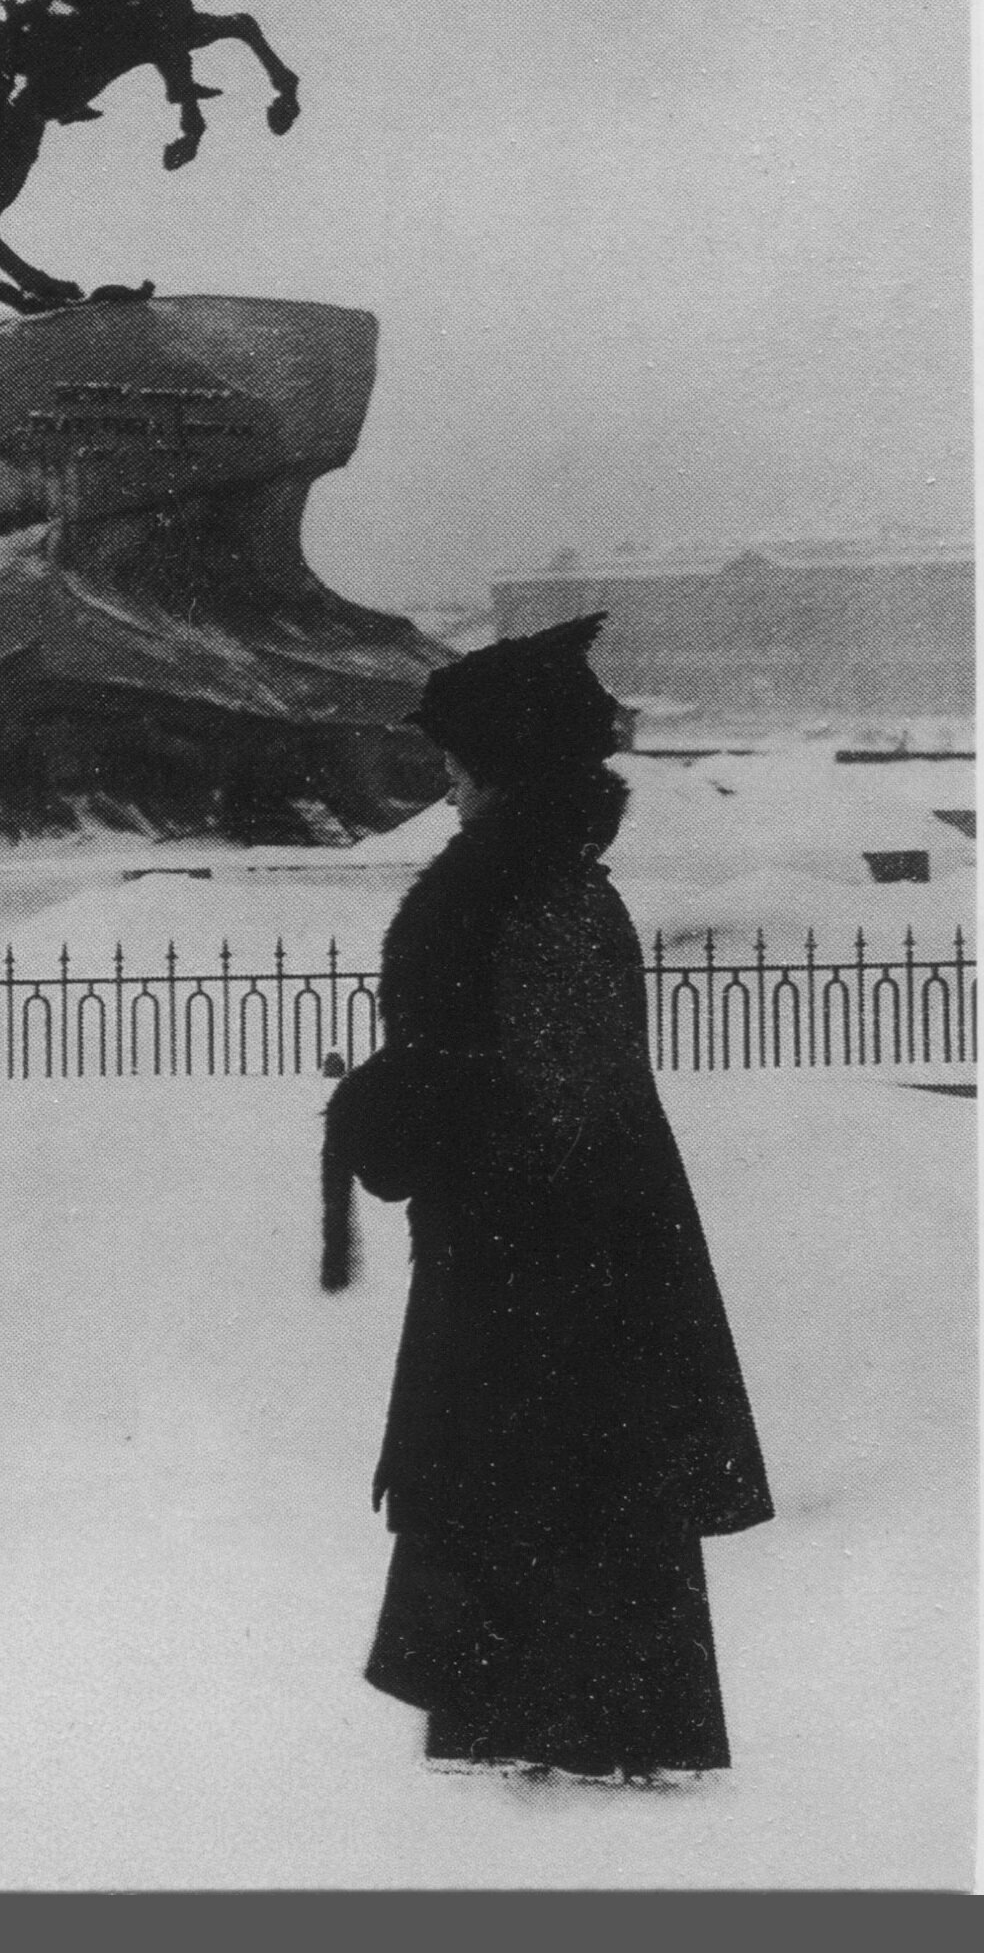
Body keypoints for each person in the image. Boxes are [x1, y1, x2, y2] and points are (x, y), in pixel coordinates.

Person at [322, 616, 773, 1780]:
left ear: (504, 768)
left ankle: (564, 1827)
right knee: (574, 1573)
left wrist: (384, 1109)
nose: (451, 793)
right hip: (578, 1298)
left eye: (458, 768)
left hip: (535, 1308)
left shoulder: (502, 894)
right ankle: (563, 1791)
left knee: (543, 1587)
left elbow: (532, 1102)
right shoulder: (559, 887)